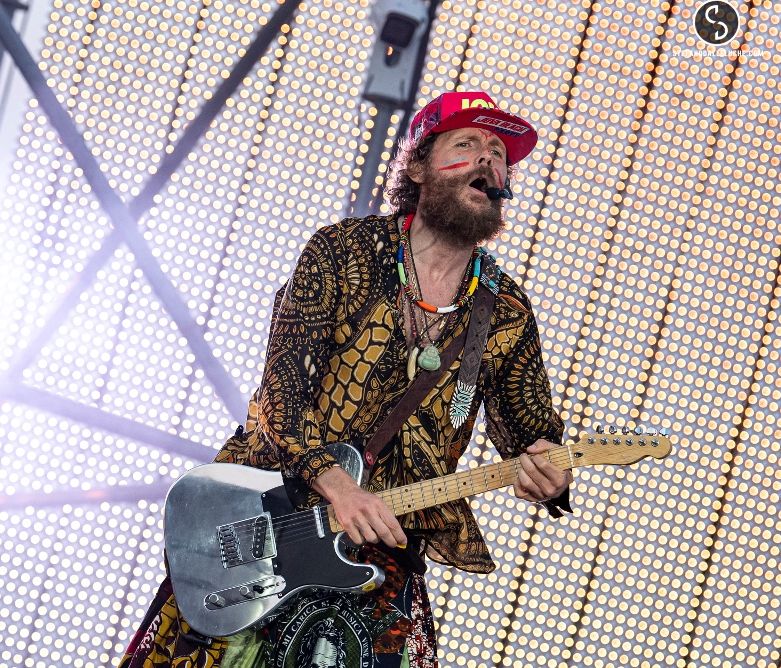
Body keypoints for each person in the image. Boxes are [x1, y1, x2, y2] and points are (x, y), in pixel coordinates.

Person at [119, 91, 572, 668]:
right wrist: (339, 485)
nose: (489, 159)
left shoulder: (506, 311)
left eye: (499, 153)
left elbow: (534, 436)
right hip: (267, 523)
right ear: (417, 166)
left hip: (382, 559)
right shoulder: (342, 251)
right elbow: (282, 395)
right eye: (467, 143)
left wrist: (550, 473)